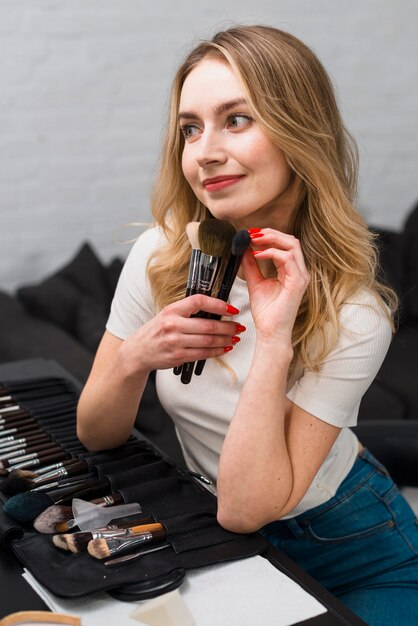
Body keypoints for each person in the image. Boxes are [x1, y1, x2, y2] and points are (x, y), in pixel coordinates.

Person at [77, 25, 418, 624]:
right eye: (190, 128)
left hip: (358, 545)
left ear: (299, 134)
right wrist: (136, 356)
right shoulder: (160, 259)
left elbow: (244, 507)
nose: (204, 150)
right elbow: (97, 434)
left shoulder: (356, 313)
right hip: (221, 523)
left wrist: (274, 341)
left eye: (236, 119)